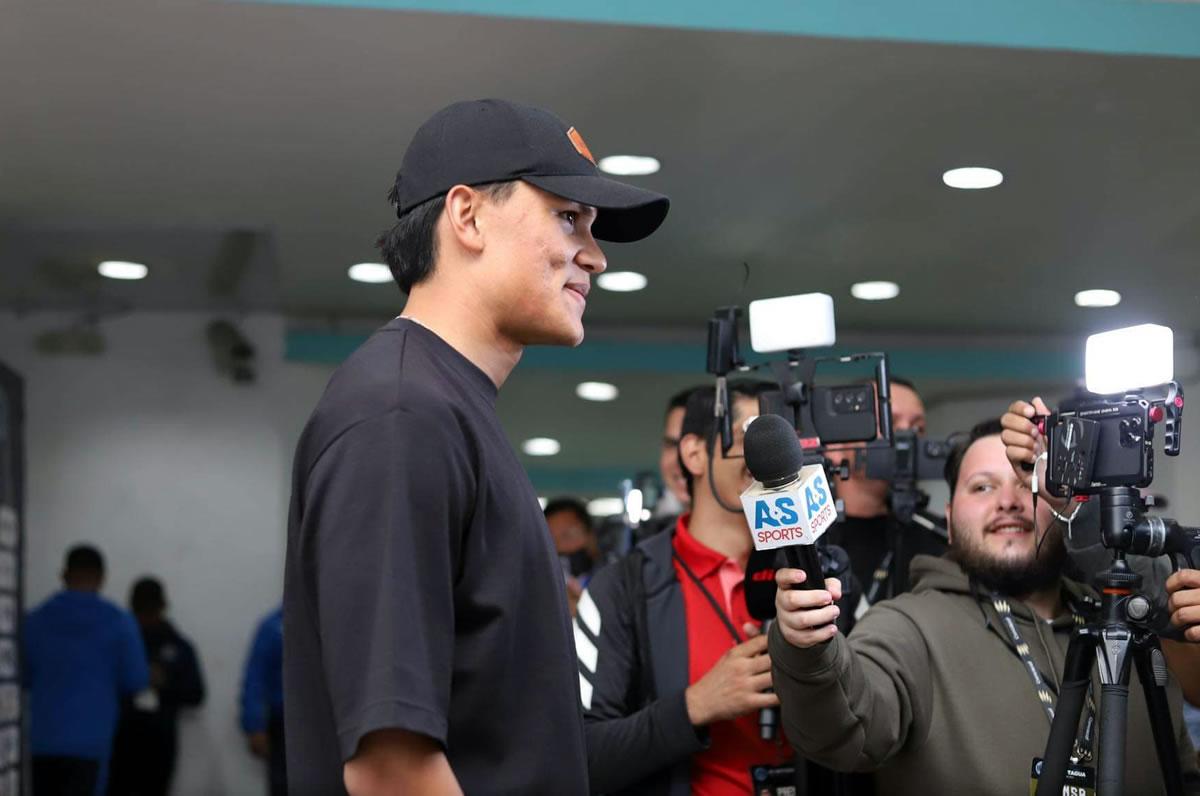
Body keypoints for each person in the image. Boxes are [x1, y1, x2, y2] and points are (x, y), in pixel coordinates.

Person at [283, 98, 668, 795]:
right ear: (466, 216)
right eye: (566, 215)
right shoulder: (401, 414)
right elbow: (389, 767)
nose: (596, 255)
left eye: (592, 225)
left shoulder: (446, 405)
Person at [768, 419, 1199, 794]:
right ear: (950, 519)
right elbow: (844, 731)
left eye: (1028, 483)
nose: (1008, 501)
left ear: (1062, 507)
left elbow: (1181, 773)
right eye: (983, 486)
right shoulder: (908, 627)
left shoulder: (1125, 625)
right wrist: (808, 648)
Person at [577, 381, 808, 795]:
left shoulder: (812, 573)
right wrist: (696, 705)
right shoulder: (622, 589)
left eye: (783, 441)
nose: (771, 455)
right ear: (694, 454)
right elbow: (581, 756)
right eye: (751, 439)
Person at [24, 545, 148, 796]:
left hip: (42, 742)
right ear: (102, 578)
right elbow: (136, 681)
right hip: (90, 744)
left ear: (64, 575)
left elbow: (22, 678)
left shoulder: (34, 620)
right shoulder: (120, 622)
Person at [823, 377, 944, 605]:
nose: (905, 437)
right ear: (836, 445)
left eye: (917, 428)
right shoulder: (813, 540)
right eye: (889, 424)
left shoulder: (938, 537)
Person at [107, 577, 205, 796]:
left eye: (151, 610)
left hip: (159, 742)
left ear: (162, 607)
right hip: (121, 739)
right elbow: (100, 687)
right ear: (132, 608)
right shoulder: (117, 643)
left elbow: (196, 694)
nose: (146, 618)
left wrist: (165, 684)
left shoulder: (178, 646)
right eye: (142, 610)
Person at [241, 606, 285, 796]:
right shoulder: (274, 627)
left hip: (330, 725)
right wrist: (255, 725)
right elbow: (256, 678)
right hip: (284, 725)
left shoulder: (334, 622)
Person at [544, 497, 598, 616]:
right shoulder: (538, 591)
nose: (560, 547)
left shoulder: (616, 584)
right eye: (550, 540)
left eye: (568, 536)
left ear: (591, 537)